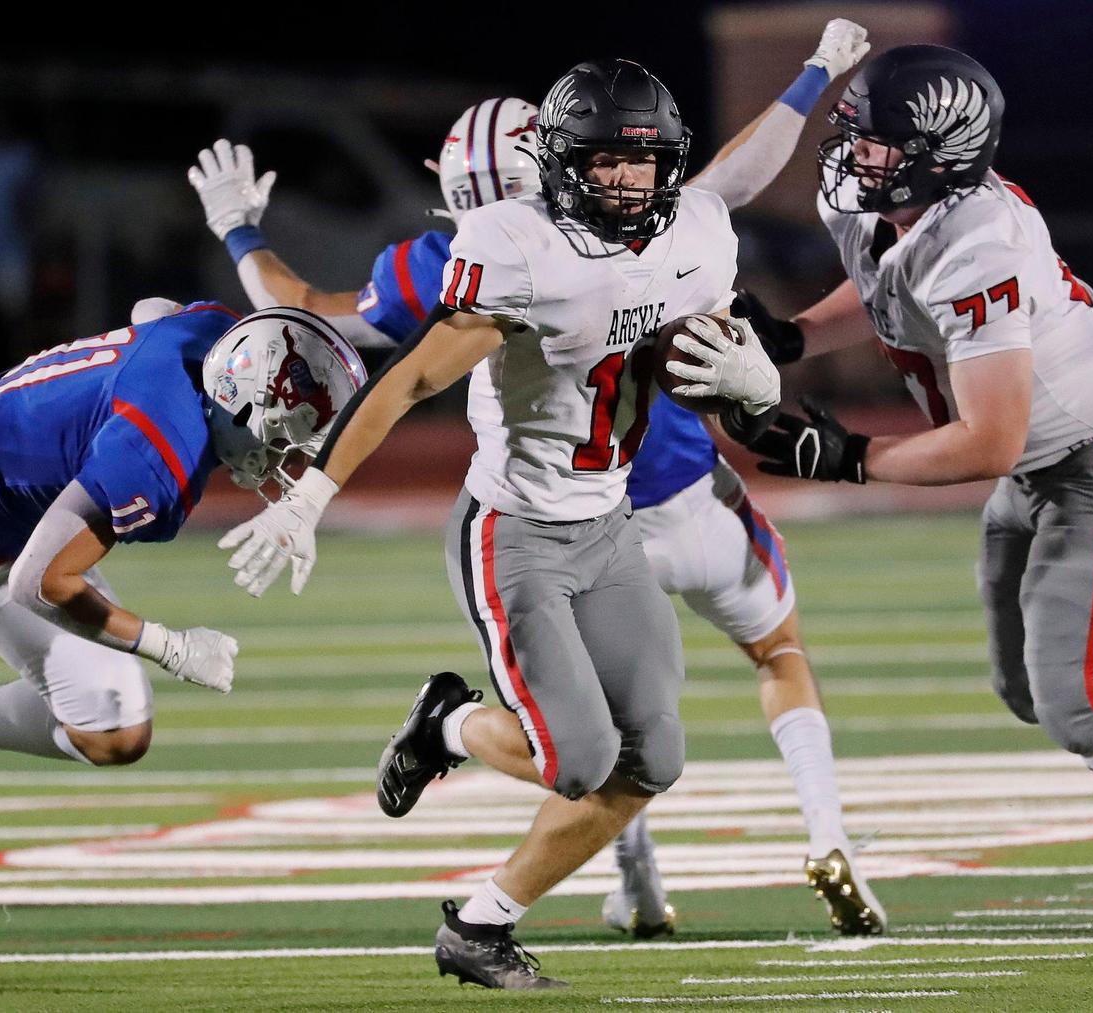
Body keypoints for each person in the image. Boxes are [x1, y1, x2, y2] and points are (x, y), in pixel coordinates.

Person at [187, 20, 883, 940]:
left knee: (649, 748)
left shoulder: (683, 231)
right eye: (603, 163)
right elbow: (409, 375)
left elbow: (315, 309)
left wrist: (753, 381)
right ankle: (489, 784)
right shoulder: (511, 247)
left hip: (617, 515)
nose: (626, 181)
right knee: (589, 747)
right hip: (541, 517)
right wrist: (313, 490)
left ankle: (523, 907)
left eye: (638, 163)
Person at [733, 43, 1093, 928]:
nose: (854, 155)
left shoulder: (982, 244)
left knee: (1078, 703)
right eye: (856, 135)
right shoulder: (887, 207)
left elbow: (989, 438)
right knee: (1026, 685)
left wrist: (846, 457)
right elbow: (882, 292)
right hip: (1041, 462)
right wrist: (791, 340)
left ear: (939, 155)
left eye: (877, 142)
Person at [0, 301, 364, 768]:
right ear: (245, 406)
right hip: (7, 546)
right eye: (285, 443)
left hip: (11, 523)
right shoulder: (160, 455)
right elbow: (39, 582)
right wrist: (169, 648)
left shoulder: (216, 333)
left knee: (113, 727)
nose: (289, 463)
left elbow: (153, 310)